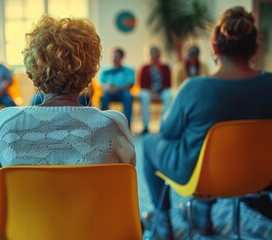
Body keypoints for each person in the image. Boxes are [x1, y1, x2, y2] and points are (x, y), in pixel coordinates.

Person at [142, 7, 272, 240]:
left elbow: (167, 132)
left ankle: (163, 222)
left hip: (201, 177)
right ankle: (202, 213)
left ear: (214, 48)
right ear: (255, 47)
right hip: (259, 175)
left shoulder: (195, 88)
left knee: (150, 142)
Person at [0, 15, 136, 205]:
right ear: (90, 73)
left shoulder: (7, 123)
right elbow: (124, 190)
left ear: (33, 71)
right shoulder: (113, 126)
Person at [138, 47, 173, 134]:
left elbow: (168, 83)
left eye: (155, 53)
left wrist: (159, 92)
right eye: (152, 54)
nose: (154, 56)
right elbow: (141, 84)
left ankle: (164, 124)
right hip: (148, 92)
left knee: (169, 95)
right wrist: (152, 92)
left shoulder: (165, 67)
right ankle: (145, 127)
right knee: (143, 95)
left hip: (162, 91)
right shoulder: (144, 67)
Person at [99, 48, 134, 128]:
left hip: (122, 92)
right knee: (104, 97)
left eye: (117, 56)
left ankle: (126, 126)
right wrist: (107, 88)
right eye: (113, 56)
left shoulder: (128, 71)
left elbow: (130, 84)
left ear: (122, 57)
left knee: (128, 96)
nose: (114, 58)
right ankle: (105, 125)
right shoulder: (105, 71)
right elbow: (101, 85)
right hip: (108, 92)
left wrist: (116, 88)